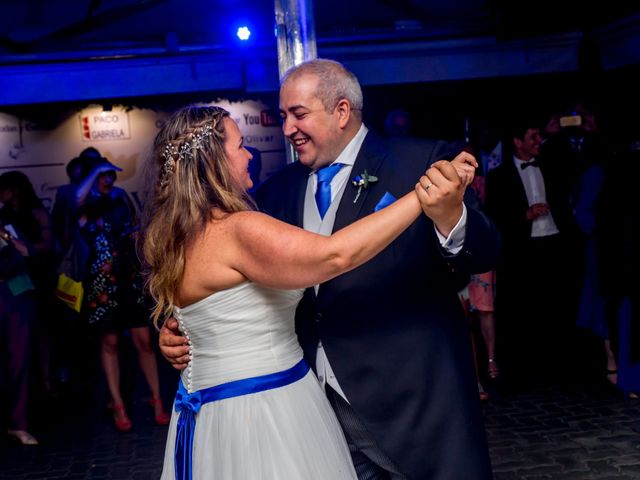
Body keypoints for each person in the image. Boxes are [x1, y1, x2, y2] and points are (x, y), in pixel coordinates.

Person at [159, 59, 499, 479]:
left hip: (414, 406)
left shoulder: (422, 162)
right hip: (310, 415)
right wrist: (186, 328)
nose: (286, 129)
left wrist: (450, 216)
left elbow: (484, 252)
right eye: (283, 116)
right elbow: (227, 276)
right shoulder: (269, 194)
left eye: (298, 114)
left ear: (342, 111)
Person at [75, 156, 170, 432]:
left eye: (110, 174)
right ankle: (117, 403)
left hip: (129, 279)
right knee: (111, 343)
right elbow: (77, 200)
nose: (108, 179)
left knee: (144, 342)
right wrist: (95, 174)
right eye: (102, 175)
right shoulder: (86, 206)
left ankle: (156, 400)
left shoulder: (121, 198)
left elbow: (140, 226)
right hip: (102, 283)